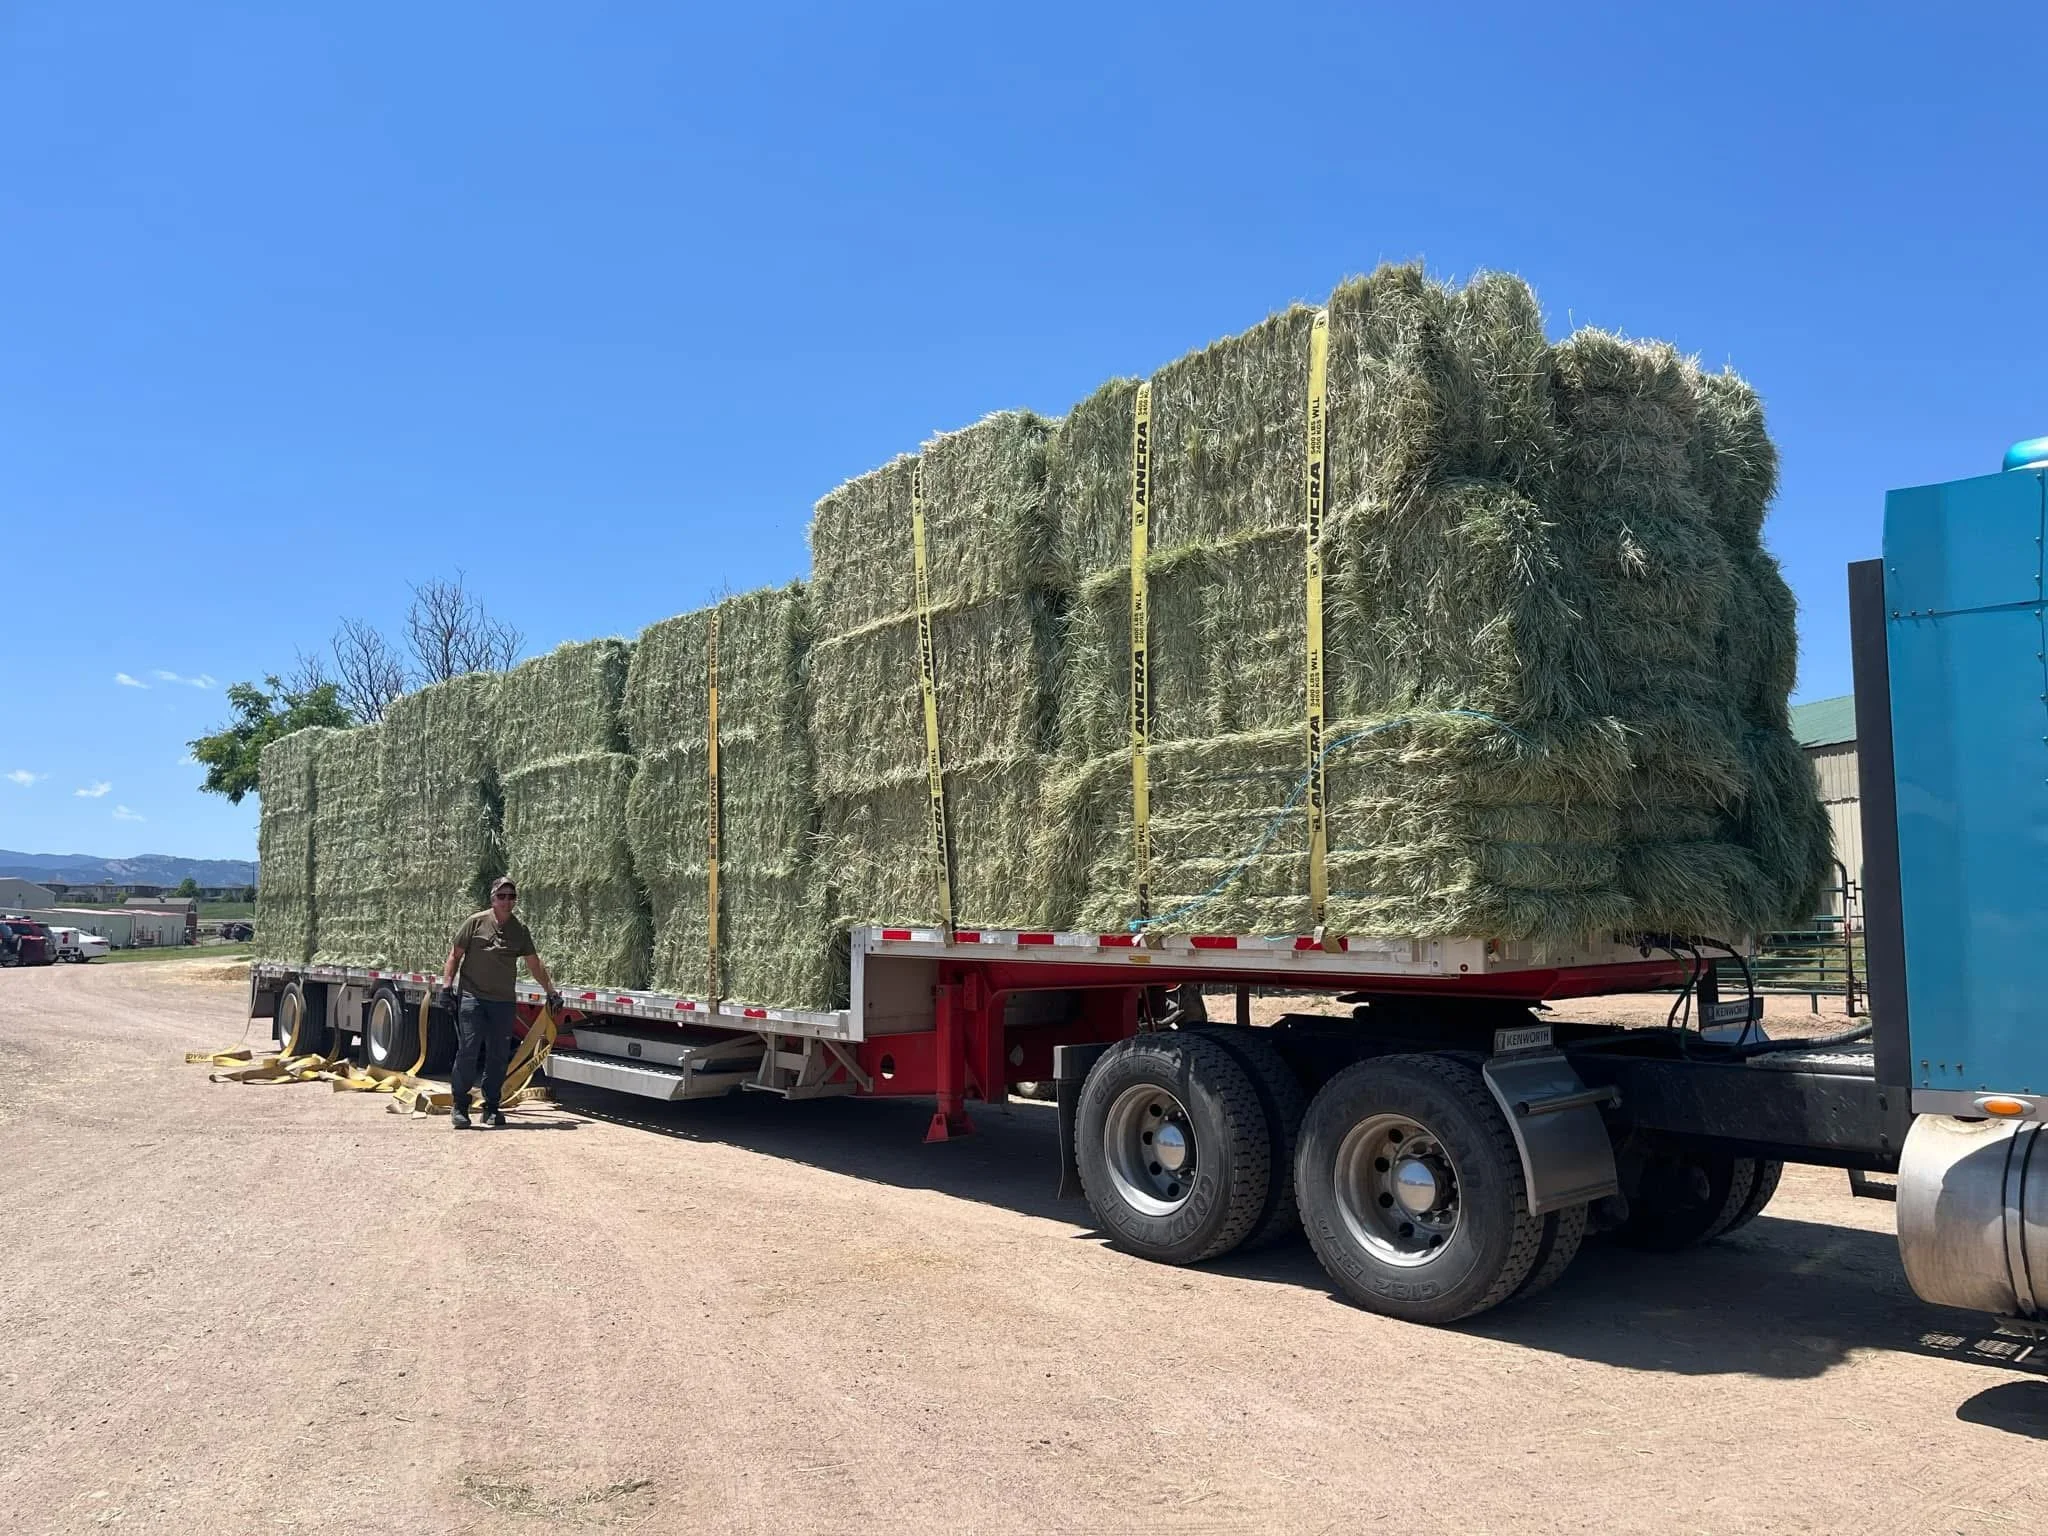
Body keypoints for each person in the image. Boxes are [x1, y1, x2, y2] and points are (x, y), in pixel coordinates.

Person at [437, 877, 562, 1129]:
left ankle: (491, 1107)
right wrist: (446, 986)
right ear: (492, 899)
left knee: (497, 1055)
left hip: (503, 1002)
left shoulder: (519, 931)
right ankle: (459, 1106)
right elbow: (454, 955)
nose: (507, 901)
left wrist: (551, 991)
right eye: (502, 896)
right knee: (469, 1050)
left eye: (511, 896)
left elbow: (534, 964)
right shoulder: (475, 923)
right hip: (473, 998)